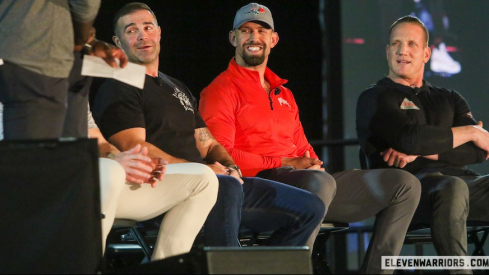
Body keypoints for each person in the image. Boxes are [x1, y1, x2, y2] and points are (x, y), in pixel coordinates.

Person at [199, 3, 422, 273]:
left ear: (273, 39)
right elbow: (223, 159)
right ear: (234, 38)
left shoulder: (284, 94)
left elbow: (305, 150)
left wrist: (310, 162)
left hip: (310, 184)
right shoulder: (220, 90)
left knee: (405, 185)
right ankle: (295, 269)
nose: (254, 37)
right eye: (245, 31)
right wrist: (287, 163)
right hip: (261, 188)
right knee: (318, 181)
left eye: (261, 30)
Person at [93, 2, 325, 251]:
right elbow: (134, 147)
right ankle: (227, 267)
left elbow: (208, 142)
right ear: (118, 42)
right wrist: (204, 171)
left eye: (148, 27)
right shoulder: (118, 86)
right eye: (131, 30)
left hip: (216, 182)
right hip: (165, 187)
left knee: (310, 208)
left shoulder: (176, 87)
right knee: (223, 186)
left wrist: (230, 167)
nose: (142, 36)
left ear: (159, 33)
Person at [356, 15, 489, 270]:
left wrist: (420, 153)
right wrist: (470, 131)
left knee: (458, 184)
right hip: (408, 192)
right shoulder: (374, 98)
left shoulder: (449, 98)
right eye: (395, 43)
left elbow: (477, 152)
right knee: (452, 187)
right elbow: (410, 138)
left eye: (411, 44)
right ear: (387, 51)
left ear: (427, 54)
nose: (402, 50)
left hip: (464, 185)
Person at [88, 108, 219, 261]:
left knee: (204, 178)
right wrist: (111, 164)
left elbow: (99, 143)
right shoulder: (54, 89)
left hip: (105, 184)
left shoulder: (74, 92)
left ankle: (167, 268)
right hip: (68, 184)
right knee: (110, 170)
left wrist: (133, 163)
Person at [0, 0, 127, 140]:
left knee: (62, 151)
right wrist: (81, 39)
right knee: (37, 156)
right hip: (39, 57)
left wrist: (86, 42)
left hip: (28, 53)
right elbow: (85, 3)